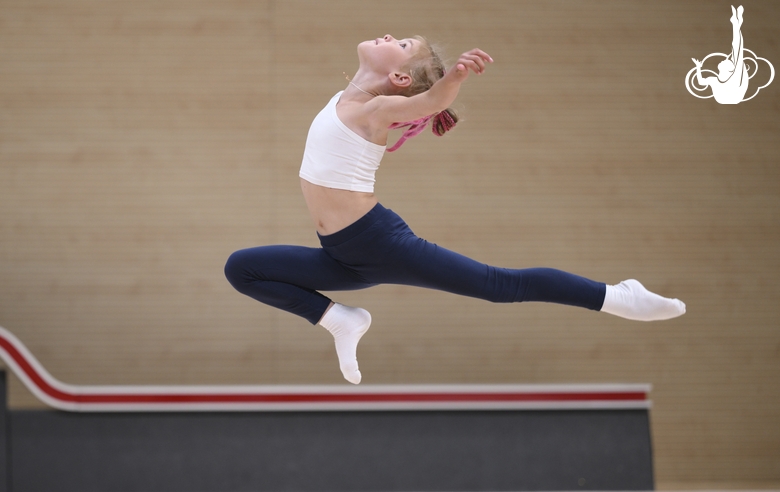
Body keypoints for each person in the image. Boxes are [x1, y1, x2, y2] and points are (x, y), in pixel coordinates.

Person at [225, 35, 686, 384]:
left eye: (401, 44)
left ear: (400, 79)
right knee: (242, 269)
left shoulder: (377, 110)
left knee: (500, 285)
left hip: (378, 243)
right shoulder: (348, 99)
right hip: (342, 254)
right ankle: (338, 319)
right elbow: (418, 96)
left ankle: (617, 298)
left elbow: (429, 101)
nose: (388, 36)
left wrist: (454, 78)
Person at [692, 5, 748, 104]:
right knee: (737, 52)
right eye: (727, 60)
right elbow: (701, 82)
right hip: (729, 97)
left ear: (729, 69)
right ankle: (736, 23)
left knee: (737, 51)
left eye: (726, 61)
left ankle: (736, 23)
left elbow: (737, 49)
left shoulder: (731, 77)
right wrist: (698, 67)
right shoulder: (716, 80)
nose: (724, 59)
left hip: (732, 96)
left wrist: (698, 68)